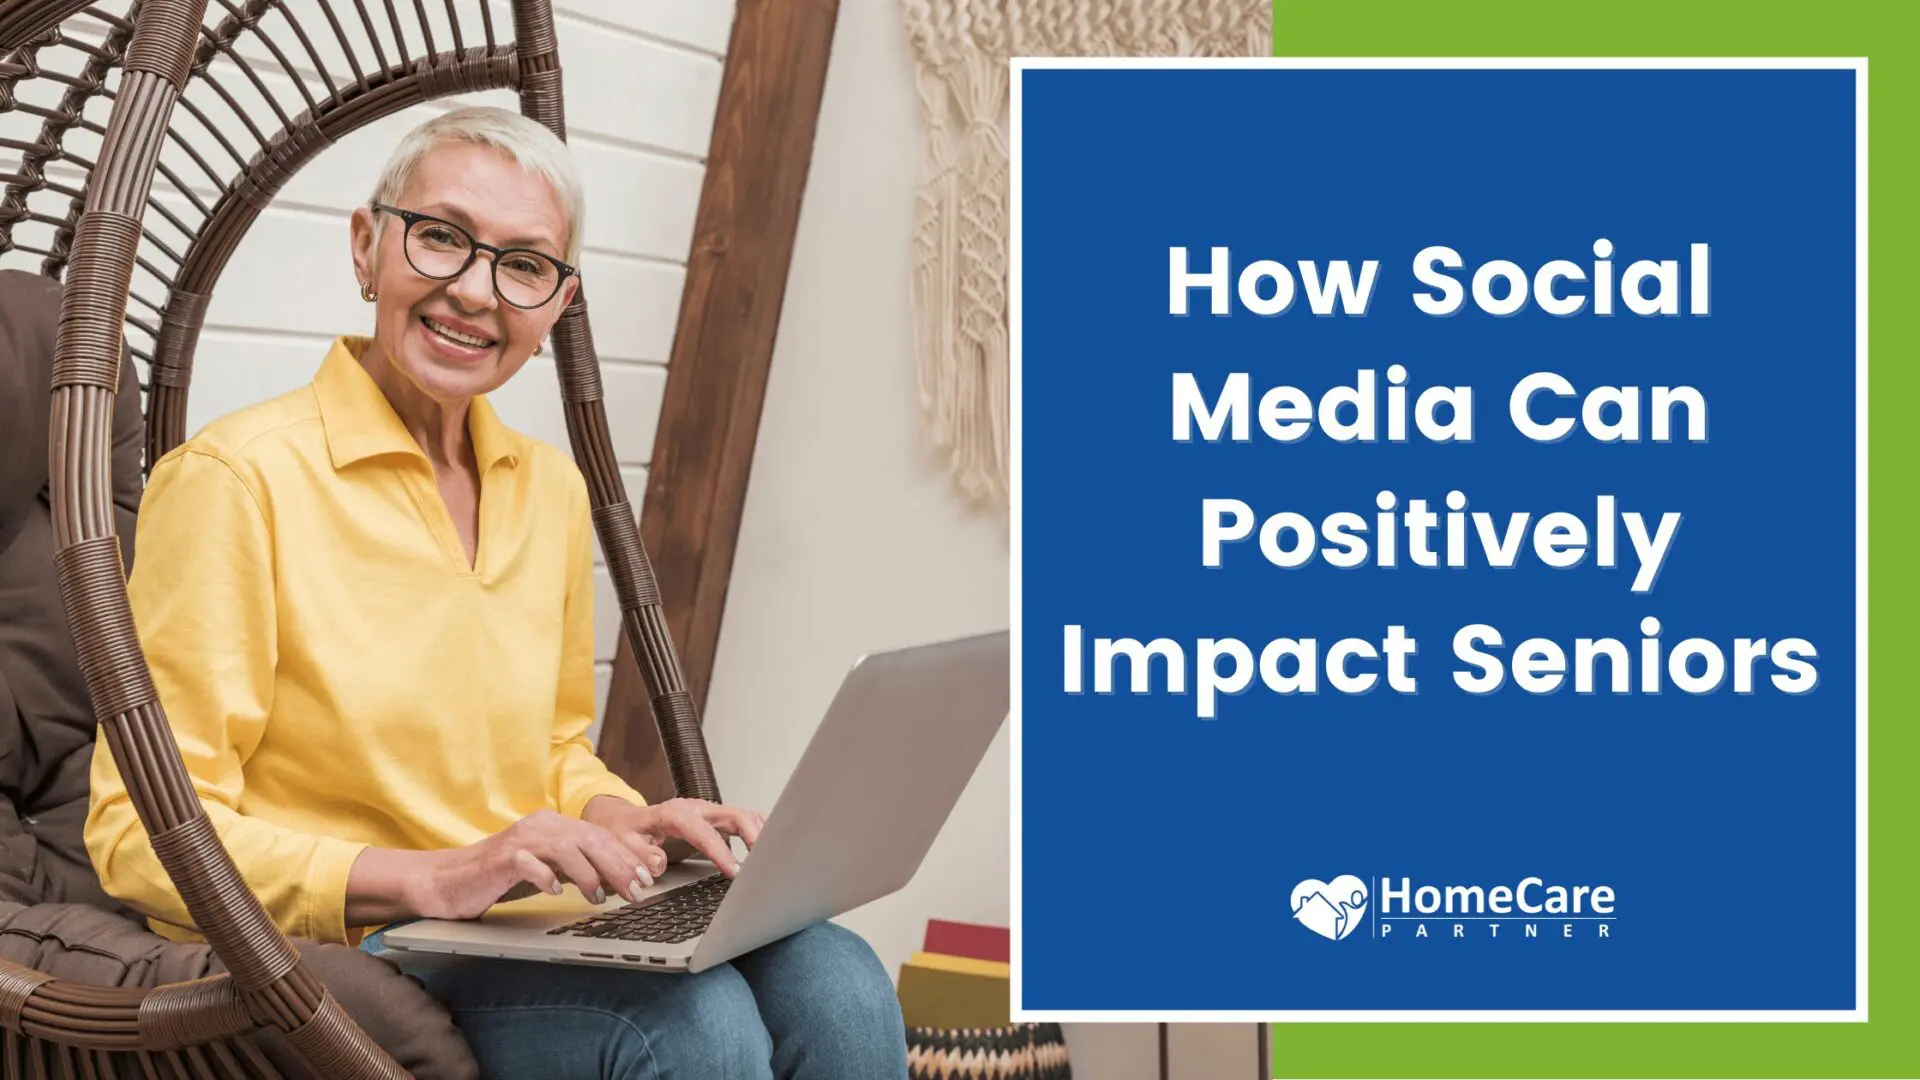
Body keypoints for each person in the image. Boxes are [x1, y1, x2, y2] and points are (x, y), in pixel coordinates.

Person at [83, 105, 908, 1079]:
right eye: (440, 237)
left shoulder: (545, 488)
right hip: (364, 950)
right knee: (692, 1025)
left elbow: (550, 754)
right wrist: (433, 877)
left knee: (841, 975)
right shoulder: (235, 480)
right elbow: (140, 832)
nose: (475, 292)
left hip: (520, 929)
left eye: (523, 264)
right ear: (366, 246)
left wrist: (623, 820)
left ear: (558, 303)